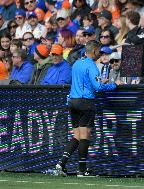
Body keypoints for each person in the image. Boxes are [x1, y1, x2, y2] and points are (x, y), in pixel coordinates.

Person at [55, 40, 121, 177]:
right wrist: (115, 85)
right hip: (85, 102)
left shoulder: (76, 63)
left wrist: (97, 82)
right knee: (85, 136)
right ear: (95, 51)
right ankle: (82, 170)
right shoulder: (92, 66)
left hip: (72, 101)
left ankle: (61, 163)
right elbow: (98, 88)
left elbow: (82, 82)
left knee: (77, 136)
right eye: (99, 51)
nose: (100, 54)